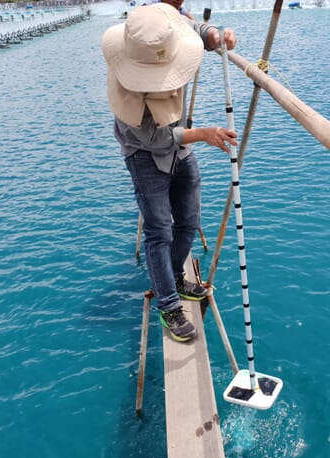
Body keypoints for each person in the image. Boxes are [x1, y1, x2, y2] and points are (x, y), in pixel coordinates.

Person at [102, 4, 238, 342]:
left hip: (180, 145)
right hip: (145, 156)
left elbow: (192, 30)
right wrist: (204, 134)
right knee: (159, 231)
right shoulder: (128, 94)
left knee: (189, 220)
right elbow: (154, 139)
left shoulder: (160, 31)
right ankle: (168, 304)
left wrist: (214, 35)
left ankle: (175, 276)